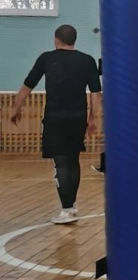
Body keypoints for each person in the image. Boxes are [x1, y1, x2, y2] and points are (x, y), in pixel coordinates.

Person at [10, 25, 101, 224]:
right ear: (74, 40)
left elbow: (28, 84)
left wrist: (17, 107)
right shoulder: (87, 60)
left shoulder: (46, 58)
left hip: (55, 118)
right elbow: (96, 92)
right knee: (73, 159)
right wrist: (93, 118)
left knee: (61, 162)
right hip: (78, 118)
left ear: (56, 39)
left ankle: (66, 210)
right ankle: (72, 206)